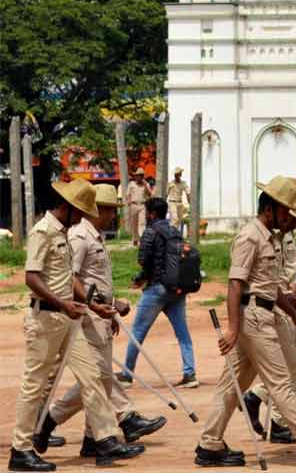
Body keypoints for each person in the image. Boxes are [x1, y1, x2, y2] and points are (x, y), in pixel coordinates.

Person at [194, 175, 296, 467]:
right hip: (253, 319)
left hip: (264, 314)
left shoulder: (271, 238)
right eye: (286, 211)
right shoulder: (249, 237)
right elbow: (235, 285)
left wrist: (295, 315)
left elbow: (272, 288)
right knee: (281, 382)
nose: (290, 219)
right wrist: (232, 328)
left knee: (232, 385)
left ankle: (209, 444)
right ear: (271, 209)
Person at [11, 178, 145, 472]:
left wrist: (93, 305)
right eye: (80, 212)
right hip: (45, 319)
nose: (83, 218)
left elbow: (68, 279)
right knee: (34, 386)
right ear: (67, 207)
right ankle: (20, 449)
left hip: (70, 318)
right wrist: (63, 304)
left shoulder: (64, 231)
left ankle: (106, 438)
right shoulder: (42, 232)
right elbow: (31, 277)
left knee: (93, 376)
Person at [48, 184, 167, 457]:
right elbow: (72, 278)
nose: (113, 216)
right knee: (97, 379)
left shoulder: (96, 236)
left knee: (99, 380)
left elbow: (96, 281)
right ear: (98, 209)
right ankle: (52, 421)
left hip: (100, 315)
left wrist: (110, 306)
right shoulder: (80, 236)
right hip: (86, 318)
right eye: (111, 210)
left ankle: (93, 438)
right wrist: (96, 307)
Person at [242, 185, 296, 449]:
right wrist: (293, 308)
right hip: (268, 311)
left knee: (292, 368)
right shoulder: (262, 237)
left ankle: (255, 405)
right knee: (288, 375)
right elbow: (264, 283)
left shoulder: (281, 236)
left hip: (283, 308)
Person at [118, 198, 197, 389]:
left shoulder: (150, 232)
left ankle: (127, 375)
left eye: (147, 211)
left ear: (152, 213)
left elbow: (144, 261)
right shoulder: (175, 232)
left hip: (156, 289)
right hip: (177, 290)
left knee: (137, 332)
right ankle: (190, 374)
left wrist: (139, 279)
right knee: (183, 333)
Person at [125, 169, 147, 247]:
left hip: (142, 205)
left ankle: (142, 239)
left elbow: (150, 194)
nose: (139, 177)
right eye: (138, 175)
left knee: (142, 223)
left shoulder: (145, 184)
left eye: (141, 175)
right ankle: (135, 239)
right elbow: (127, 194)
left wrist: (146, 186)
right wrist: (129, 202)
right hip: (133, 205)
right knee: (134, 224)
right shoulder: (131, 184)